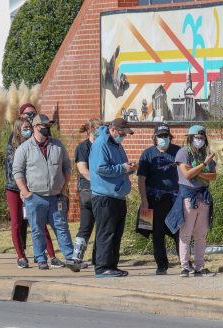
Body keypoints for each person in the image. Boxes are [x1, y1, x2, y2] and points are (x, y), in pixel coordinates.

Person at [12, 114, 79, 272]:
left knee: (61, 227)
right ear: (36, 127)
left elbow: (67, 168)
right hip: (35, 197)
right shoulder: (24, 148)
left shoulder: (57, 145)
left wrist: (63, 189)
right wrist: (26, 193)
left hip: (56, 196)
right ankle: (41, 259)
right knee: (37, 229)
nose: (48, 129)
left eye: (49, 126)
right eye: (45, 126)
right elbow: (17, 172)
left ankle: (70, 258)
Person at [5, 118, 64, 269]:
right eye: (25, 127)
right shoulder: (14, 147)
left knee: (40, 223)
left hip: (34, 190)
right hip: (15, 188)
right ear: (18, 129)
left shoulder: (41, 144)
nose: (28, 130)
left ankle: (50, 255)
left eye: (29, 127)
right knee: (17, 223)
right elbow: (15, 171)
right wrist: (23, 191)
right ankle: (21, 256)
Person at [166, 125, 217, 277]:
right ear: (190, 137)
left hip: (203, 196)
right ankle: (185, 266)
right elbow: (186, 175)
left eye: (202, 138)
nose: (199, 140)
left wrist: (198, 173)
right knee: (186, 233)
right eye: (197, 137)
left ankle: (200, 267)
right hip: (189, 196)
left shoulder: (206, 154)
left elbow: (213, 176)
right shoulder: (183, 153)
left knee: (201, 234)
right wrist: (204, 166)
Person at [89, 118, 137, 278]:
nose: (124, 136)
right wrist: (122, 168)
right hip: (104, 196)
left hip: (117, 195)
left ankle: (111, 266)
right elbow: (100, 168)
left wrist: (129, 168)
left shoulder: (117, 145)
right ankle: (102, 267)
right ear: (113, 130)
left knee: (116, 233)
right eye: (122, 133)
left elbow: (119, 168)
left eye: (126, 134)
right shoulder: (101, 144)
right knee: (106, 232)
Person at [137, 123, 181, 275]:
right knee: (157, 232)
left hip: (175, 199)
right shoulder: (147, 154)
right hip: (154, 199)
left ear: (170, 136)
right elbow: (141, 179)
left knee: (179, 231)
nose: (164, 138)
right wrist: (144, 201)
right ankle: (161, 265)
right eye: (160, 136)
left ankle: (184, 262)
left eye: (166, 135)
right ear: (155, 138)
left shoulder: (178, 151)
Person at [71, 118, 103, 269]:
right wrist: (97, 182)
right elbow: (82, 169)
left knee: (102, 226)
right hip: (88, 190)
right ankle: (76, 258)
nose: (102, 132)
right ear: (91, 130)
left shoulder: (103, 146)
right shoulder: (83, 148)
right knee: (86, 224)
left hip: (103, 191)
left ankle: (98, 258)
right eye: (99, 129)